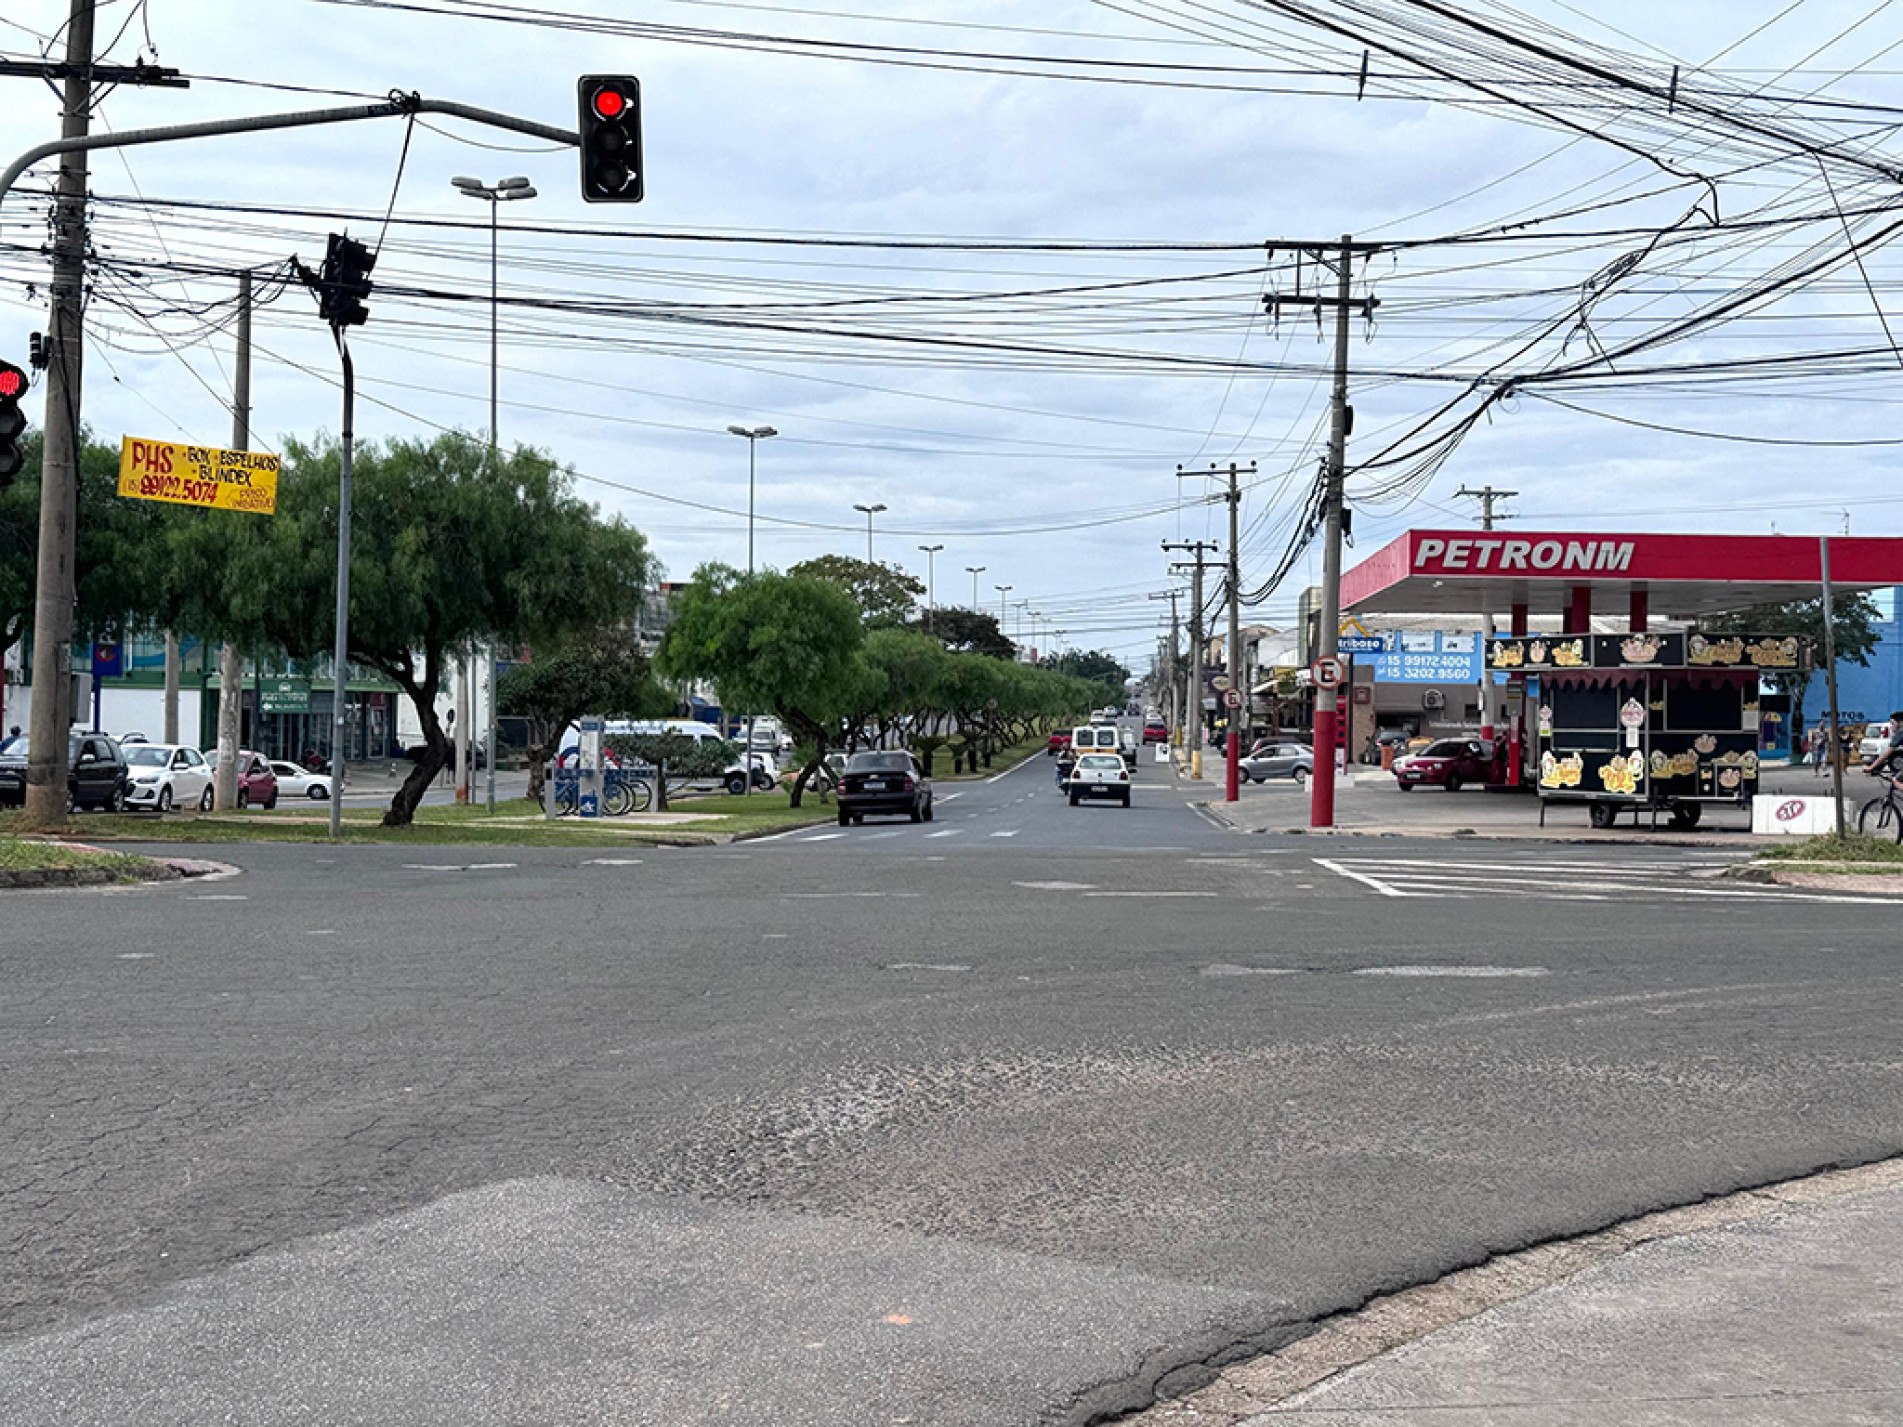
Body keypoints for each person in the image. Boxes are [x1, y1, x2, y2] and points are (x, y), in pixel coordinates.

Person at [1866, 712, 1903, 782]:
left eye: (1892, 723)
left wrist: (1871, 767)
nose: (1891, 726)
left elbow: (1886, 754)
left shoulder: (1900, 733)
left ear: (1900, 723)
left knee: (1896, 780)